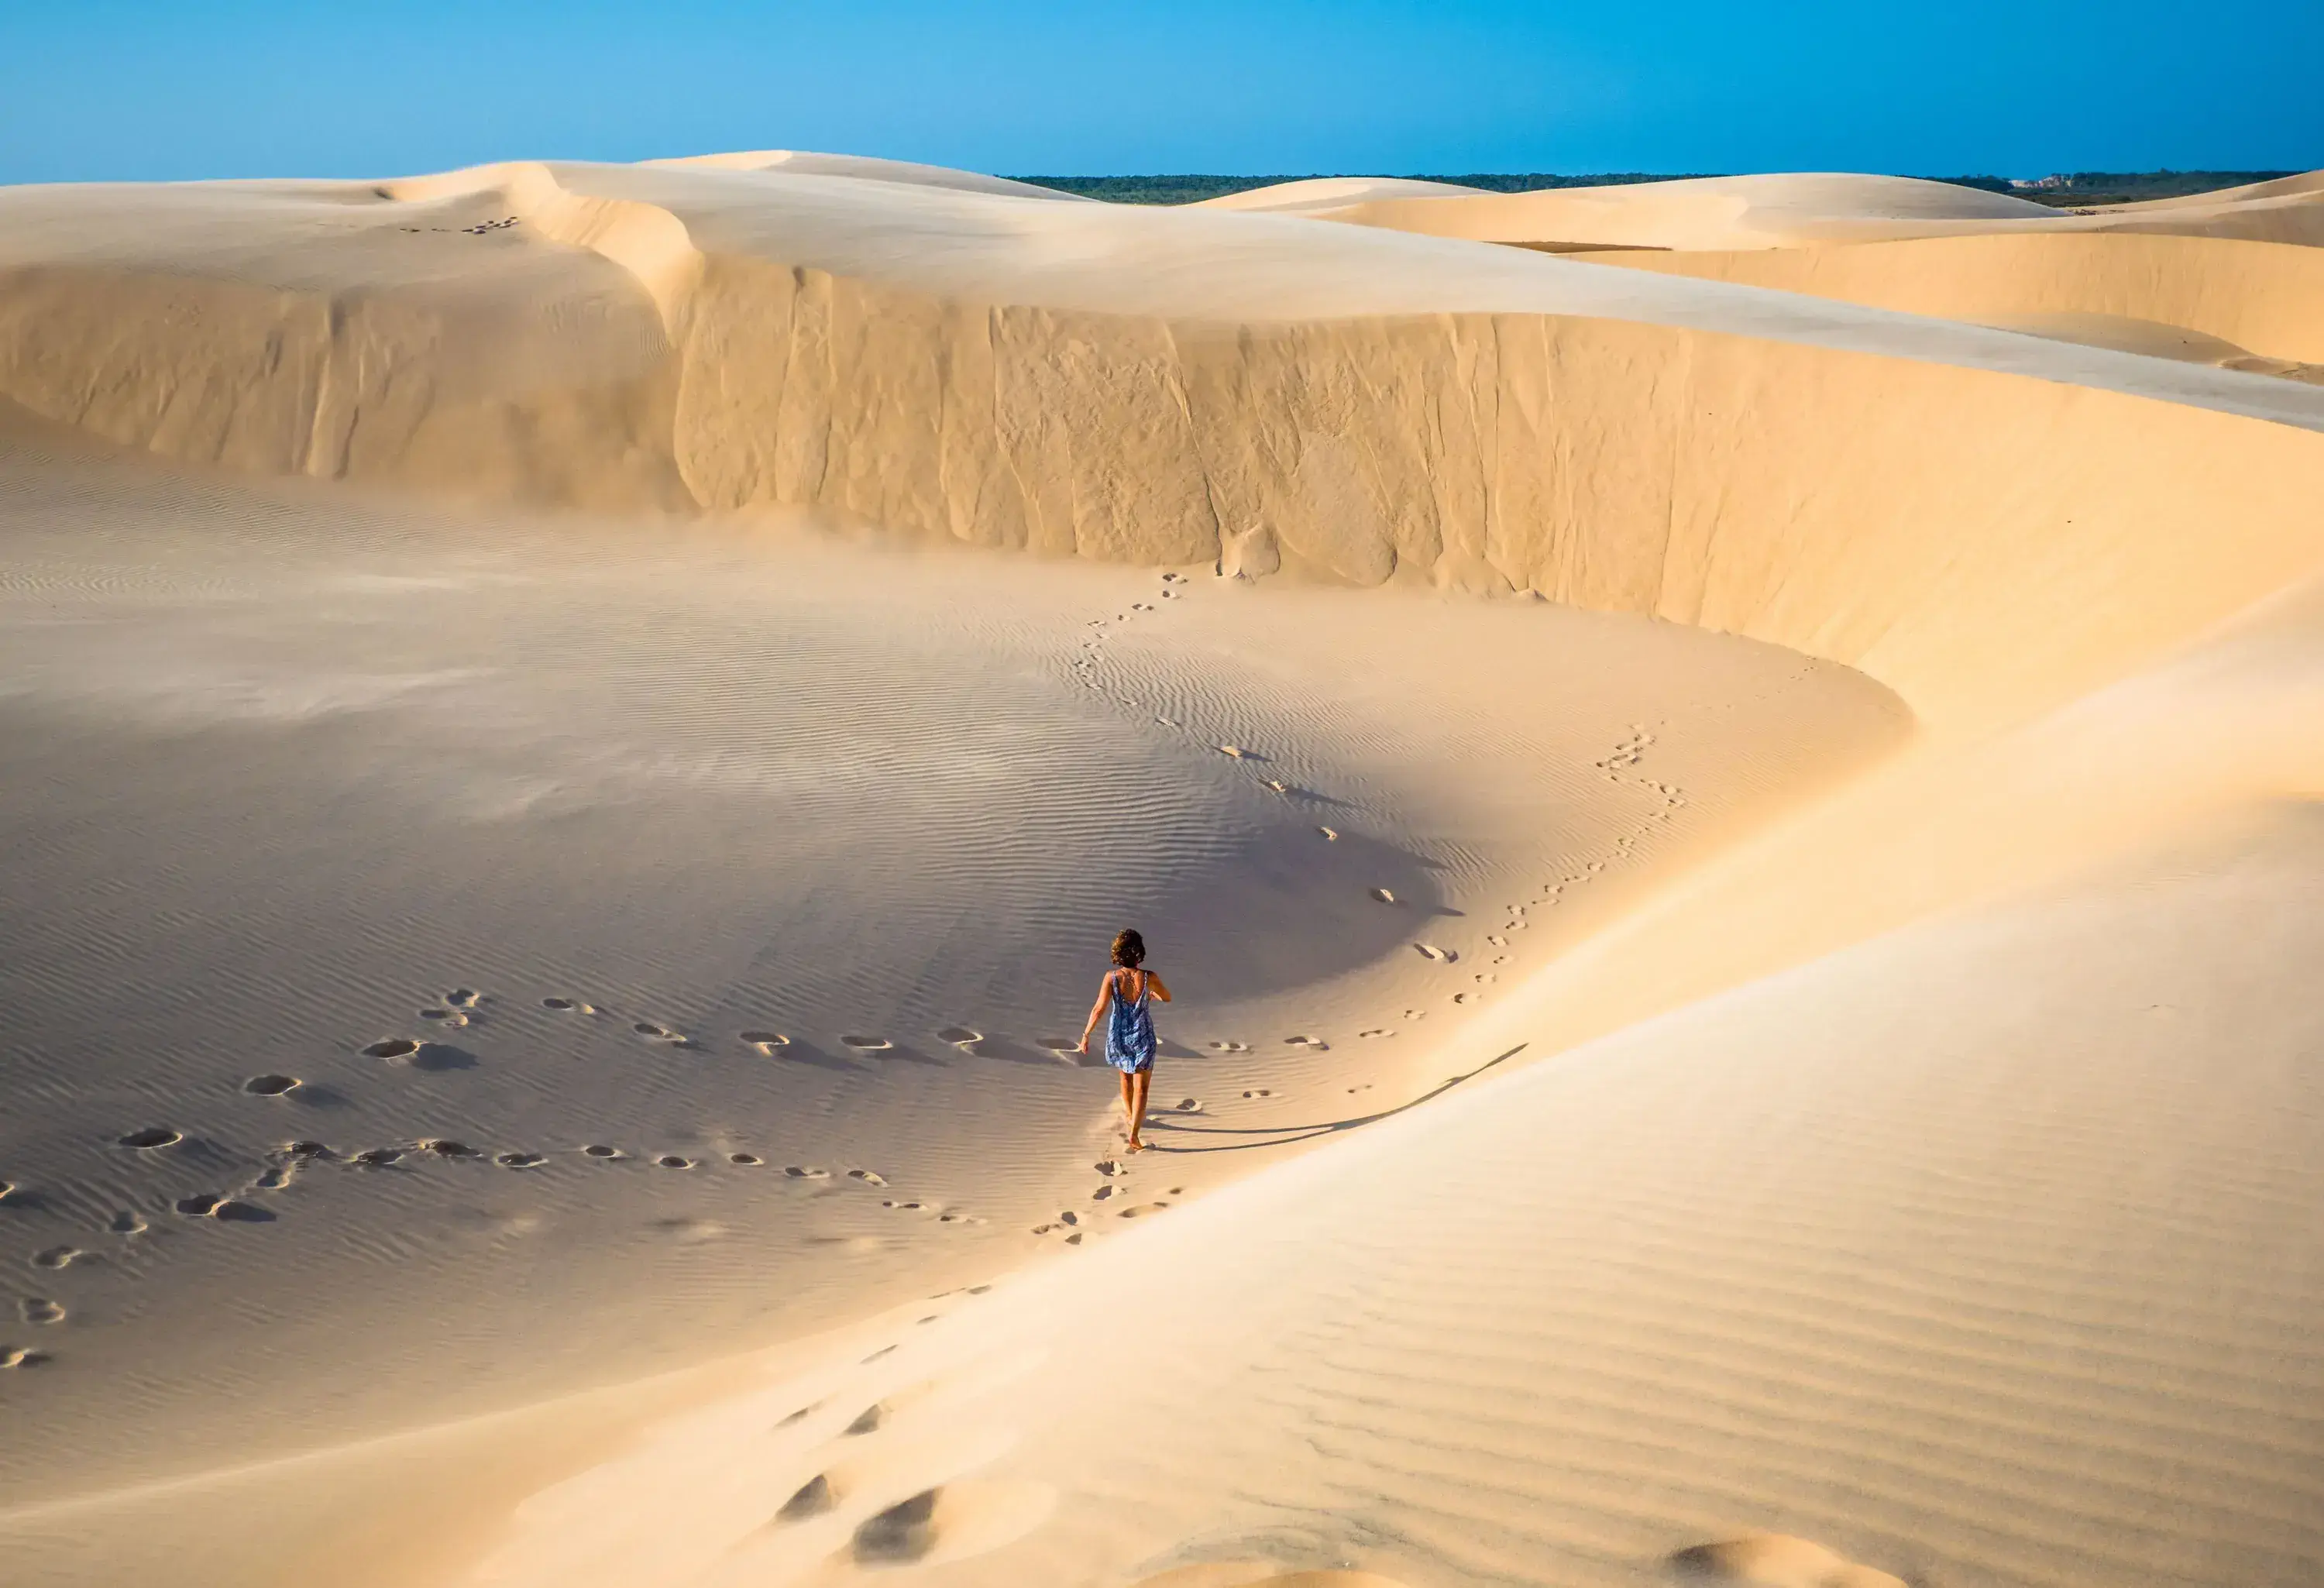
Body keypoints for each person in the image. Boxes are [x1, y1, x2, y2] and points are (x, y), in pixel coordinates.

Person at [1078, 928, 1171, 1151]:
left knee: (1125, 1077)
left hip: (1119, 1034)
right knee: (1142, 1088)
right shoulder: (1149, 977)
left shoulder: (1111, 978)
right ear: (1139, 952)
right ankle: (1134, 1135)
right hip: (1143, 1034)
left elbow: (1098, 1008)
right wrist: (1152, 995)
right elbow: (1167, 997)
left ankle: (1129, 1115)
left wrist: (1086, 1035)